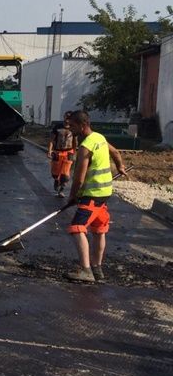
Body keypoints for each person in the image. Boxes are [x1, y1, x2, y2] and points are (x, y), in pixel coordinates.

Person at [64, 111, 126, 283]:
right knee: (99, 230)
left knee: (77, 227)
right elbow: (116, 153)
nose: (70, 129)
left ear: (82, 125)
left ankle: (86, 270)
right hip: (104, 194)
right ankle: (97, 269)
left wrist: (72, 196)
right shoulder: (99, 138)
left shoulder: (87, 146)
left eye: (73, 125)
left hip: (92, 195)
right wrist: (120, 167)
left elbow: (79, 177)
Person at [47, 111, 77, 198]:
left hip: (69, 152)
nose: (67, 120)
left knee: (66, 174)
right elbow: (52, 140)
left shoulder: (73, 128)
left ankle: (61, 190)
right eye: (66, 117)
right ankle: (56, 180)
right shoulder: (57, 127)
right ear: (64, 117)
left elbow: (75, 141)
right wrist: (49, 150)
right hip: (57, 152)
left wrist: (74, 152)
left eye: (69, 118)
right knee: (55, 173)